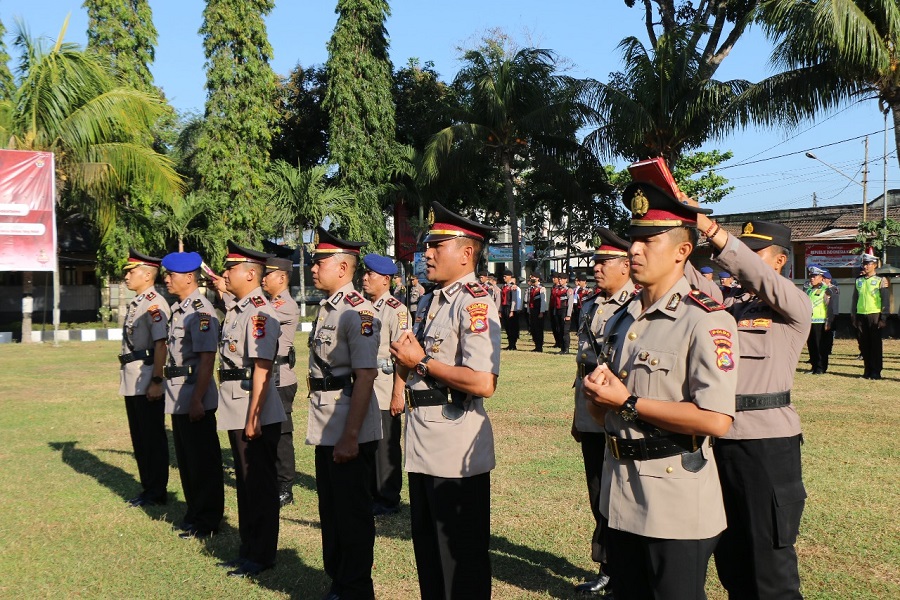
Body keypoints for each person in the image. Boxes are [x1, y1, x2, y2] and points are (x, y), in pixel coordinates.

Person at [582, 181, 738, 600]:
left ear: (681, 251)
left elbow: (716, 420)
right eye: (634, 239)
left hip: (675, 498)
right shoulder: (622, 321)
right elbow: (609, 414)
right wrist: (600, 401)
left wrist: (628, 401)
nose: (634, 249)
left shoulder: (706, 320)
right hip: (622, 490)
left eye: (649, 240)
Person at [684, 216, 811, 600]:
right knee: (732, 556)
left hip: (766, 444)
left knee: (770, 565)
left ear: (778, 262)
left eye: (757, 254)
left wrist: (715, 234)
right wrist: (677, 232)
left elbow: (755, 277)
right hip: (718, 437)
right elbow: (685, 276)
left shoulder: (792, 303)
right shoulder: (728, 306)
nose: (739, 262)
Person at [390, 201, 501, 600]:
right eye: (428, 246)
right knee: (429, 553)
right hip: (423, 439)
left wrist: (422, 361)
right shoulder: (431, 300)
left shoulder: (474, 302)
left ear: (466, 253)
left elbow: (483, 381)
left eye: (437, 245)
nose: (427, 253)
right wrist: (408, 362)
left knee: (460, 559)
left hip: (454, 446)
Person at [307, 227, 382, 600]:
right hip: (326, 421)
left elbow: (366, 376)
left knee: (351, 514)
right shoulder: (328, 308)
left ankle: (354, 587)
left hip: (349, 425)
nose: (312, 268)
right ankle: (338, 580)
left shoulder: (358, 312)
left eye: (319, 262)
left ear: (341, 267)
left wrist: (350, 436)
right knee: (332, 510)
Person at [216, 241, 287, 578]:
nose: (225, 273)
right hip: (236, 404)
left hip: (253, 409)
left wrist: (254, 418)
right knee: (246, 484)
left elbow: (262, 366)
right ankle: (248, 549)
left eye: (230, 269)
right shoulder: (239, 308)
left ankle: (261, 554)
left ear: (248, 273)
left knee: (259, 485)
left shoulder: (260, 311)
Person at [571, 228, 634, 597]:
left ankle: (621, 569)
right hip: (589, 413)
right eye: (595, 261)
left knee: (619, 494)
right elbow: (582, 367)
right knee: (598, 492)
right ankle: (607, 566)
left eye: (603, 261)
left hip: (616, 413)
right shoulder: (591, 305)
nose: (596, 267)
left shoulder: (636, 306)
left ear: (626, 266)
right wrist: (577, 416)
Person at [160, 251, 224, 539]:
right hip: (178, 394)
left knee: (202, 462)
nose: (166, 279)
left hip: (193, 395)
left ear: (188, 278)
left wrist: (198, 399)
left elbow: (207, 358)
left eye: (171, 275)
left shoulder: (200, 311)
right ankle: (194, 513)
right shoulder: (181, 308)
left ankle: (207, 520)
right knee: (187, 460)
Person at [119, 249, 170, 508]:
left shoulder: (154, 304)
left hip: (147, 377)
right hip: (133, 376)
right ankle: (148, 487)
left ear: (148, 274)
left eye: (131, 271)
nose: (126, 276)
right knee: (140, 438)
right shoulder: (139, 302)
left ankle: (157, 491)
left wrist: (157, 381)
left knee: (151, 438)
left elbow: (161, 345)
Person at [361, 253, 409, 517]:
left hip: (384, 384)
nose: (365, 278)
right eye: (365, 273)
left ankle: (388, 498)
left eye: (371, 274)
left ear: (386, 280)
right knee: (368, 443)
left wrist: (397, 393)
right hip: (364, 385)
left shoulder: (396, 310)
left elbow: (402, 357)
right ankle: (371, 492)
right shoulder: (363, 307)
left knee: (386, 444)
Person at [262, 256, 301, 507]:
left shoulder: (284, 305)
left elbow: (259, 316)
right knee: (269, 431)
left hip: (280, 377)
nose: (263, 279)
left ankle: (285, 485)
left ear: (282, 278)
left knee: (282, 434)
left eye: (268, 274)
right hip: (270, 376)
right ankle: (273, 479)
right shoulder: (270, 303)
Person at [851, 253, 889, 379]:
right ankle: (867, 371)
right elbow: (855, 299)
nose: (866, 266)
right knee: (864, 345)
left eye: (868, 264)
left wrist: (883, 317)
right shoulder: (859, 280)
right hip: (861, 315)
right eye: (864, 264)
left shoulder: (880, 280)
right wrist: (854, 316)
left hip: (874, 314)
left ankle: (876, 371)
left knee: (875, 345)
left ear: (875, 265)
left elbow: (885, 300)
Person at [805, 265, 834, 374]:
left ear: (821, 277)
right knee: (811, 345)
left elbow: (829, 307)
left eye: (814, 276)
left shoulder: (826, 290)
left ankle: (821, 368)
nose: (812, 278)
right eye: (811, 276)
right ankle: (814, 366)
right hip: (810, 322)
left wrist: (828, 321)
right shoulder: (809, 290)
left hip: (821, 322)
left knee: (820, 346)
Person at [550, 272, 574, 353]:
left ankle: (566, 349)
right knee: (559, 330)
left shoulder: (568, 290)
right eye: (559, 279)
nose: (559, 280)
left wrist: (568, 315)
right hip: (557, 311)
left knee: (565, 331)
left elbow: (570, 303)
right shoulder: (557, 288)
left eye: (561, 279)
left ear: (566, 280)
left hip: (564, 310)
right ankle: (562, 348)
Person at [527, 274, 548, 352]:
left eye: (533, 277)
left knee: (538, 329)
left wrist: (542, 312)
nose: (531, 278)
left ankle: (539, 346)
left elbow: (543, 301)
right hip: (532, 310)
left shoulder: (541, 288)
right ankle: (536, 344)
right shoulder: (531, 288)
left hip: (538, 310)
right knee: (533, 329)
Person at [822, 269, 839, 362]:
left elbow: (833, 303)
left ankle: (828, 349)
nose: (823, 280)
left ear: (829, 279)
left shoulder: (833, 288)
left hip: (832, 313)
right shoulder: (821, 289)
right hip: (822, 314)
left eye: (824, 278)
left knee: (830, 333)